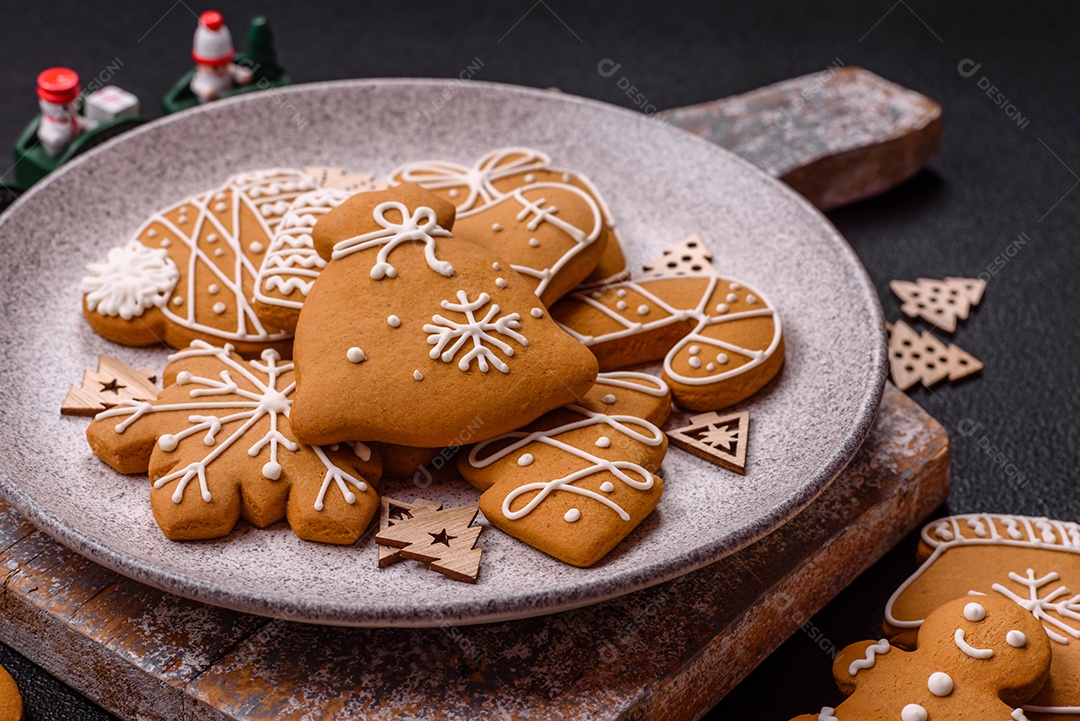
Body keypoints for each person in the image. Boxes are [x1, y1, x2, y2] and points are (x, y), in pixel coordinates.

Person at [189, 10, 253, 103]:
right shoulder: (201, 77)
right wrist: (206, 91)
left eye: (224, 64)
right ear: (200, 65)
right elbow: (195, 85)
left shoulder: (229, 70)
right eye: (214, 67)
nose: (221, 69)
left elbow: (238, 72)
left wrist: (243, 76)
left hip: (231, 100)